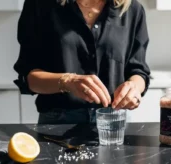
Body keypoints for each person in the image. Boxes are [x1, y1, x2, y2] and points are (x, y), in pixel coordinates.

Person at [13, 0, 151, 124]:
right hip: (58, 122)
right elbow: (29, 78)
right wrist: (68, 81)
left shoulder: (133, 10)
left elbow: (138, 71)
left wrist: (134, 87)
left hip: (114, 121)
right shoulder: (39, 5)